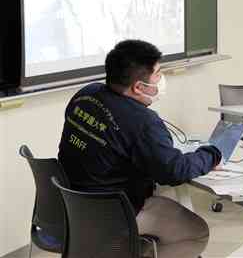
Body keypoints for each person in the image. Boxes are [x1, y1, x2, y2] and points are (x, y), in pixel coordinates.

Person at [58, 40, 222, 258]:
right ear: (138, 87)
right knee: (197, 232)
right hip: (113, 213)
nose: (162, 79)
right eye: (158, 74)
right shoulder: (143, 122)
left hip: (73, 204)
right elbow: (175, 171)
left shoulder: (86, 94)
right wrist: (211, 155)